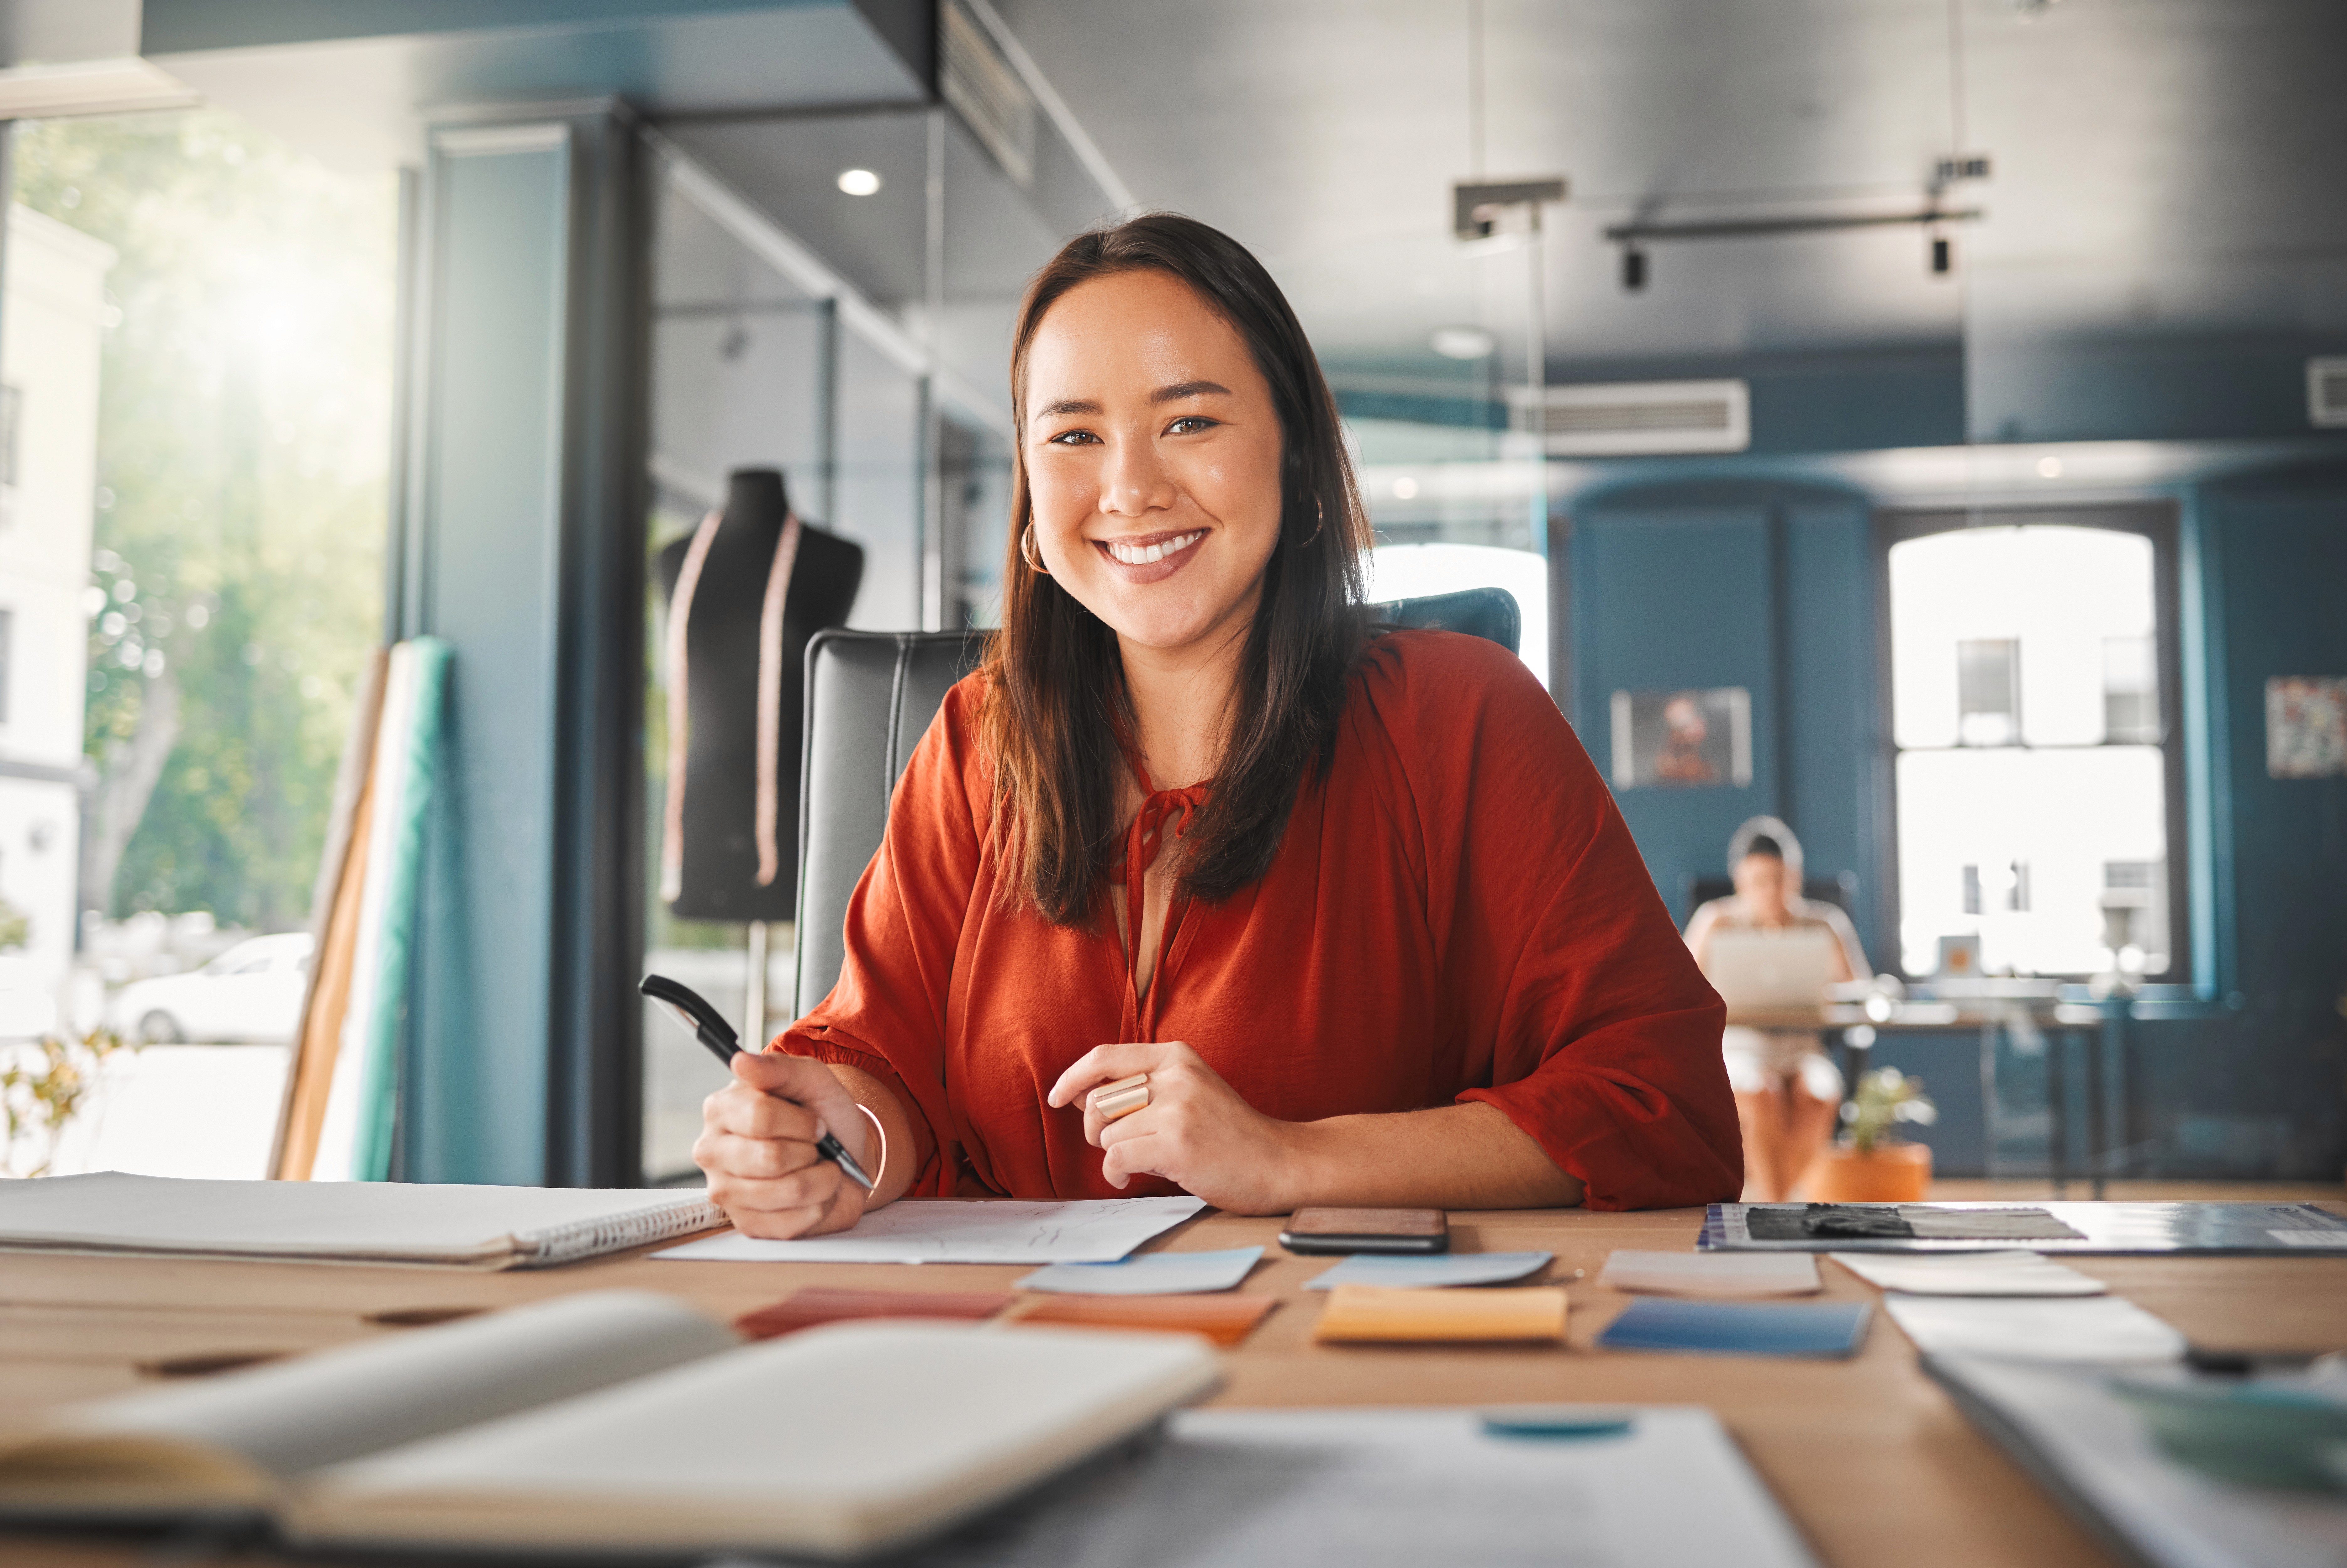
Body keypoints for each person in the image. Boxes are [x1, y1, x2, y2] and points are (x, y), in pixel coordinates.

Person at [694, 213, 1741, 1238]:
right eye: (1073, 436)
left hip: (1344, 1330)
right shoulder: (976, 741)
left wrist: (1286, 1159)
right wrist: (837, 1139)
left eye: (1188, 422)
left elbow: (1661, 1103)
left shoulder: (1464, 716)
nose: (1130, 489)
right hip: (1015, 1329)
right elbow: (881, 1067)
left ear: (1295, 454)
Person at [1683, 817, 1871, 1201]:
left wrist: (1827, 992)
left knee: (1818, 1096)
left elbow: (1860, 991)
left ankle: (1772, 1205)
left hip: (1803, 1048)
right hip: (1739, 1048)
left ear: (1796, 877)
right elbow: (1681, 988)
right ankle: (1779, 1207)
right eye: (1759, 881)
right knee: (1760, 1093)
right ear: (1740, 879)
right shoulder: (1715, 921)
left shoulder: (1824, 924)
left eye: (1780, 880)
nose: (1771, 892)